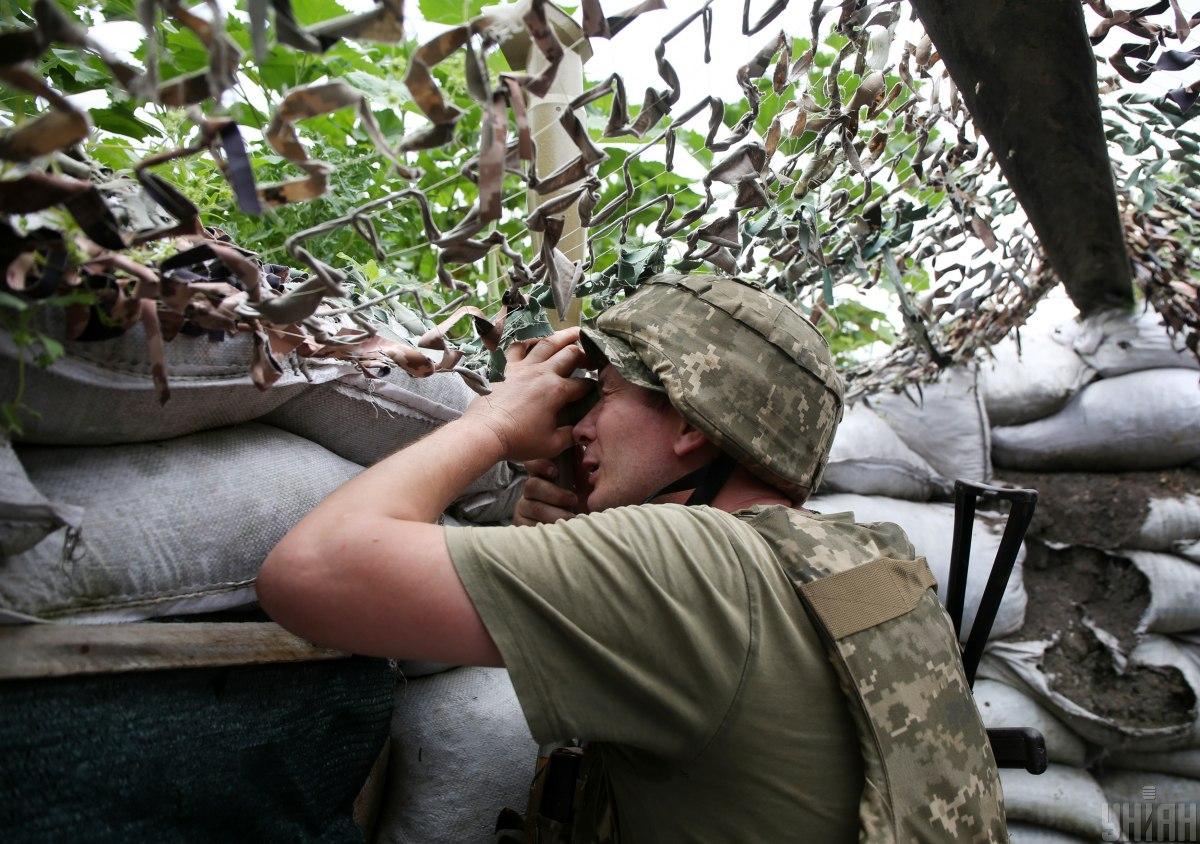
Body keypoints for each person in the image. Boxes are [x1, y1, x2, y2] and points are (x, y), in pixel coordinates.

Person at [258, 273, 1007, 842]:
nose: (578, 425)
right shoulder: (863, 556)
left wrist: (490, 423)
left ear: (686, 420)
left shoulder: (688, 565)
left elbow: (313, 571)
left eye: (604, 393)